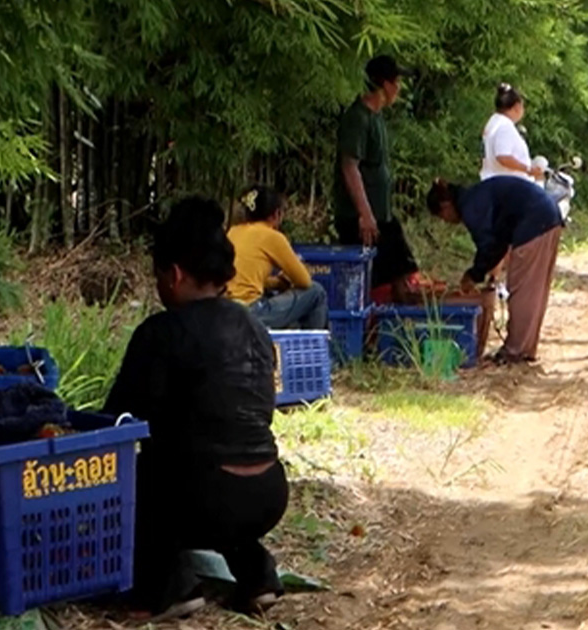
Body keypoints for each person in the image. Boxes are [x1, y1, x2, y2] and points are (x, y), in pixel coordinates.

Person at [104, 197, 288, 620]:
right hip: (268, 493)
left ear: (174, 273)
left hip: (202, 497)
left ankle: (169, 585)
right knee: (214, 471)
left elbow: (117, 420)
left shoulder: (162, 332)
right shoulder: (255, 328)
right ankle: (258, 575)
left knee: (140, 474)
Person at [426, 177, 563, 364]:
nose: (446, 222)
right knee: (535, 290)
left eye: (442, 217)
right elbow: (497, 244)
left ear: (446, 205)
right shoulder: (476, 197)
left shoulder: (471, 207)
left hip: (534, 222)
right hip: (546, 216)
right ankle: (524, 348)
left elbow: (488, 245)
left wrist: (473, 275)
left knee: (523, 291)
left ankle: (515, 351)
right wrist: (485, 272)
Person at [332, 55, 419, 302]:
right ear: (385, 84)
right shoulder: (357, 118)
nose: (399, 88)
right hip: (361, 218)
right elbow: (350, 166)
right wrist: (365, 213)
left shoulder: (377, 117)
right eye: (397, 81)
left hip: (382, 216)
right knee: (378, 278)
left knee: (401, 270)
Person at [227, 184, 328, 329]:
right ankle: (314, 347)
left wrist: (277, 283)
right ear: (276, 214)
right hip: (253, 312)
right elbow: (304, 281)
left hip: (226, 309)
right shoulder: (272, 236)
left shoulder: (233, 232)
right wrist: (287, 277)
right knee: (316, 292)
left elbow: (245, 280)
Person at [481, 83, 543, 182]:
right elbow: (503, 156)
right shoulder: (505, 127)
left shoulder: (493, 122)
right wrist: (528, 170)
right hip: (510, 185)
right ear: (517, 107)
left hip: (494, 180)